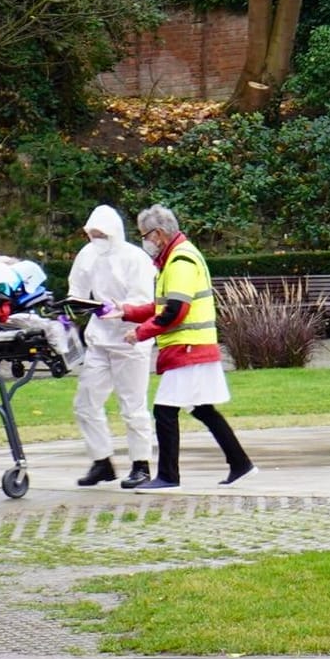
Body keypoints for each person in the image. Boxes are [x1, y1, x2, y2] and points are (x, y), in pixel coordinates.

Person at [111, 205, 255, 492]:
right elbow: (163, 306)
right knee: (202, 410)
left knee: (164, 411)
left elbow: (173, 311)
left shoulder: (180, 261)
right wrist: (126, 311)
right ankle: (240, 464)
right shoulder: (177, 258)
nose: (145, 242)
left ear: (159, 234)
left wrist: (140, 333)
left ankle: (168, 476)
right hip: (193, 348)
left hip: (187, 348)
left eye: (145, 236)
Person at [66, 205, 157, 489]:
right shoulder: (87, 255)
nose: (96, 238)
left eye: (101, 233)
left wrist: (122, 311)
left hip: (129, 340)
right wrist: (74, 308)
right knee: (85, 402)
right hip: (99, 339)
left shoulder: (134, 258)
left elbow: (143, 300)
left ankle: (141, 465)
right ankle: (102, 461)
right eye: (92, 234)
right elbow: (77, 290)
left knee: (133, 405)